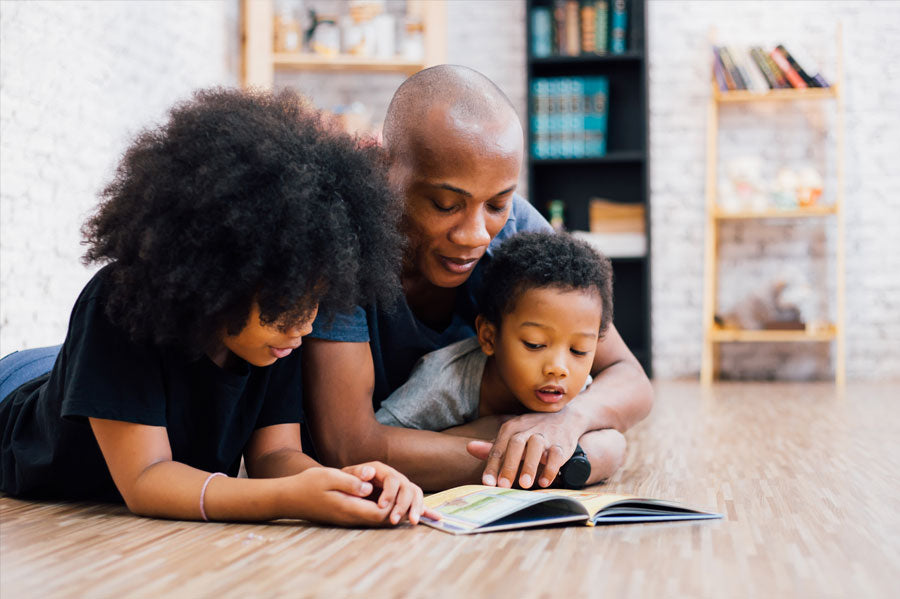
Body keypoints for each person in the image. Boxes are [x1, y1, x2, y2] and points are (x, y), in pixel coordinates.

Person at [0, 88, 435, 527]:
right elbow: (146, 479)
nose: (304, 325)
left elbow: (275, 454)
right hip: (14, 391)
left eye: (317, 301)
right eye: (287, 302)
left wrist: (349, 486)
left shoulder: (277, 336)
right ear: (219, 272)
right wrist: (288, 499)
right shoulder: (118, 302)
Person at [302, 65, 653, 491]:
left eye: (497, 203)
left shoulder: (517, 227)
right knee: (606, 449)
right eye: (446, 204)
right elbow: (348, 446)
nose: (476, 235)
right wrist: (537, 455)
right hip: (381, 470)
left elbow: (628, 376)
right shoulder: (342, 245)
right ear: (384, 170)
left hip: (428, 459)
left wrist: (568, 421)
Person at [375, 232, 626, 487]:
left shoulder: (575, 390)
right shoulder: (443, 382)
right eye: (535, 344)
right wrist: (489, 430)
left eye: (579, 350)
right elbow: (375, 442)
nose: (558, 369)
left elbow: (614, 445)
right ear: (489, 337)